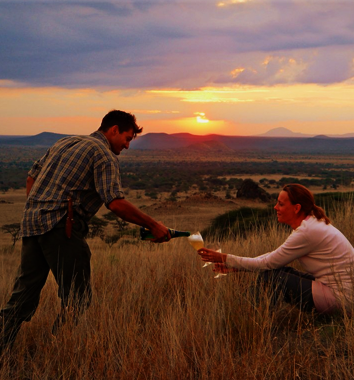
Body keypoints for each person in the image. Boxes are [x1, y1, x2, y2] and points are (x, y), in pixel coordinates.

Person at [0, 109, 171, 352]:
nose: (127, 146)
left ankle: (3, 349)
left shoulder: (65, 142)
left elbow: (31, 177)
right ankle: (60, 352)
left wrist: (39, 207)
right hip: (62, 226)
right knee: (77, 298)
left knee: (23, 295)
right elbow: (115, 202)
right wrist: (154, 225)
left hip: (32, 223)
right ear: (113, 130)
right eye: (128, 138)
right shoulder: (103, 154)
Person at [198, 184, 354, 315]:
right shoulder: (310, 224)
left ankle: (254, 319)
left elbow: (268, 263)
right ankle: (254, 315)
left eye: (281, 204)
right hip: (341, 293)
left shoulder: (307, 232)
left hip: (342, 299)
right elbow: (273, 258)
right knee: (280, 272)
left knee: (272, 277)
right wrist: (234, 266)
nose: (275, 207)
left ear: (296, 208)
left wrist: (225, 258)